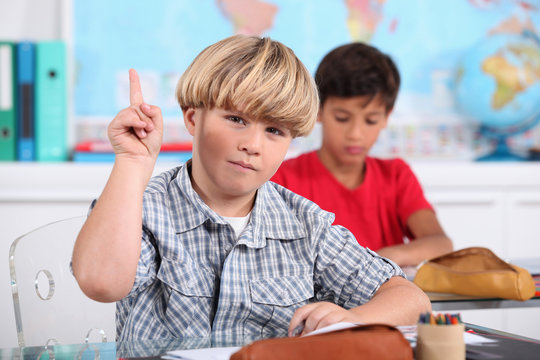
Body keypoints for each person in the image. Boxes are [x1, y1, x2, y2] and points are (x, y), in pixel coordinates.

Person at [72, 35, 430, 342]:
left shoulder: (307, 225)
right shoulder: (142, 208)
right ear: (193, 117)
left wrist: (354, 319)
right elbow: (101, 283)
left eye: (275, 131)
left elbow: (411, 300)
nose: (253, 144)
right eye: (236, 120)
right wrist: (133, 164)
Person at [271, 42, 453, 267]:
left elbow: (440, 244)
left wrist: (383, 259)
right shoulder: (282, 179)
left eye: (371, 120)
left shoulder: (396, 176)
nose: (355, 134)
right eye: (342, 118)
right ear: (318, 111)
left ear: (387, 116)